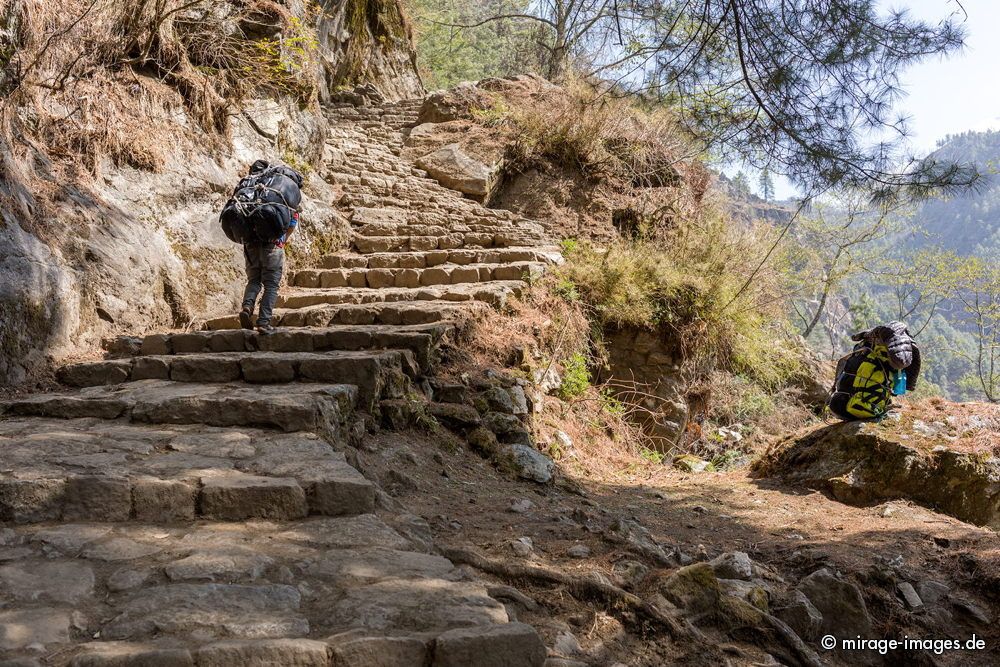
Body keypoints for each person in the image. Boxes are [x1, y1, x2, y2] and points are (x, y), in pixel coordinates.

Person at [828, 321, 921, 421]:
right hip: (861, 407)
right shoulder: (897, 340)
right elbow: (901, 362)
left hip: (837, 405)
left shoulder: (868, 341)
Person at [238, 210, 297, 334]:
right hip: (273, 245)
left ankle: (247, 307)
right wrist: (283, 240)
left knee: (254, 280)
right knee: (271, 286)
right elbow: (292, 223)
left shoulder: (255, 196)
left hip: (251, 246)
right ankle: (263, 322)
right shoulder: (285, 200)